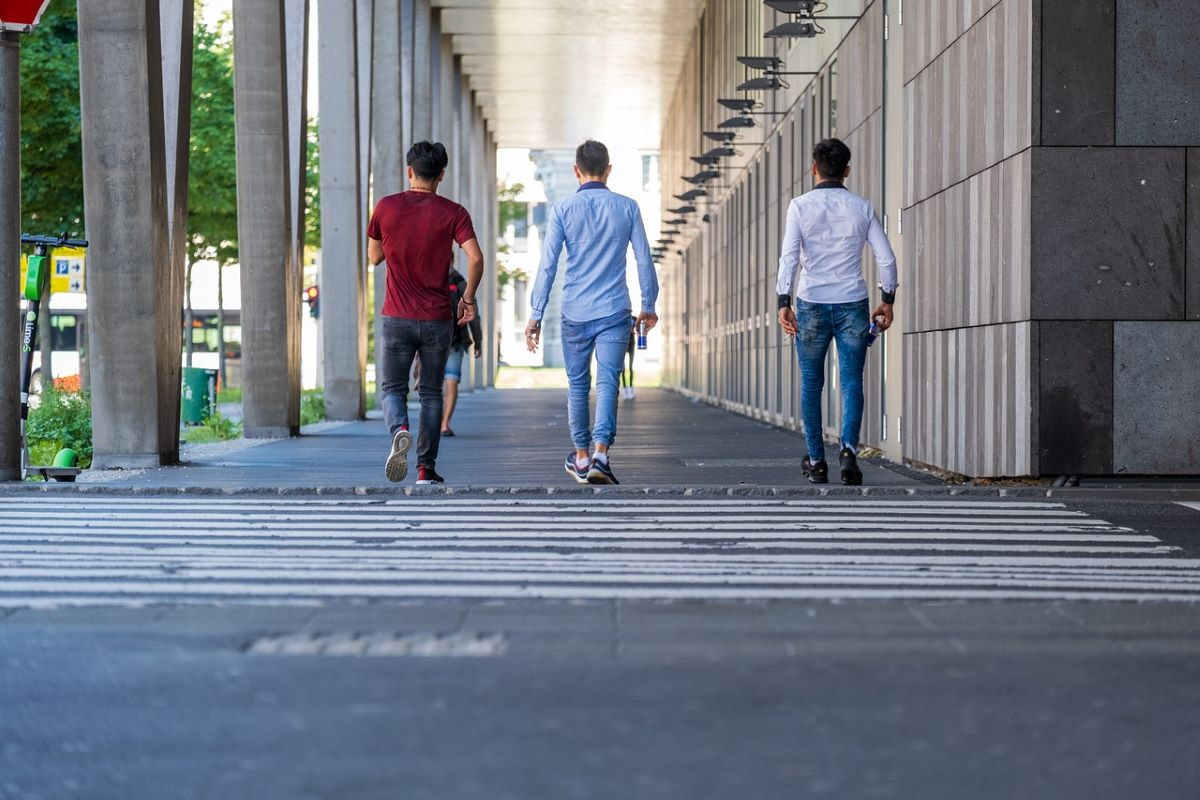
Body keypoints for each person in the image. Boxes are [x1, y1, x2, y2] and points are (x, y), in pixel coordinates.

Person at [525, 140, 658, 485]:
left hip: (575, 312)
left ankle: (581, 457)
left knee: (578, 385)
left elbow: (548, 265)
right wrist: (649, 305)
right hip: (615, 309)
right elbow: (644, 258)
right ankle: (601, 453)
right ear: (608, 170)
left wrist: (536, 314)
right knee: (608, 381)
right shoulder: (627, 207)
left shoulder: (562, 210)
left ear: (575, 171)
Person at [776, 138, 898, 486]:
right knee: (851, 381)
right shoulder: (862, 207)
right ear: (847, 171)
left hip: (811, 302)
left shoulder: (799, 206)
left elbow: (788, 257)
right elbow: (886, 258)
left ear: (814, 168)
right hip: (852, 304)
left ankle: (816, 461)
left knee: (812, 384)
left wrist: (783, 301)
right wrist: (887, 298)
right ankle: (848, 450)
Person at [367, 141, 483, 485]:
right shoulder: (454, 212)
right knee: (432, 393)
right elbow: (475, 258)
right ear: (441, 175)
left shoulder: (386, 207)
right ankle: (425, 469)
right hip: (436, 320)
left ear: (409, 171)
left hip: (396, 317)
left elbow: (374, 257)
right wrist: (469, 299)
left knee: (391, 389)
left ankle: (399, 429)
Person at [441, 266, 483, 437]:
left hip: (438, 340)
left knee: (438, 384)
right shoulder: (462, 284)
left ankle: (441, 422)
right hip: (456, 339)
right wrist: (478, 341)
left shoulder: (430, 279)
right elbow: (474, 315)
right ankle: (444, 424)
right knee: (451, 382)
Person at [619, 316, 637, 400]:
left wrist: (634, 330)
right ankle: (625, 390)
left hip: (631, 345)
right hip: (623, 344)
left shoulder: (634, 319)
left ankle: (631, 389)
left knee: (631, 367)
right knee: (623, 369)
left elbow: (639, 329)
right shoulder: (622, 318)